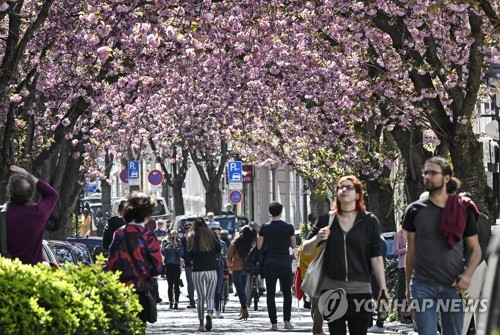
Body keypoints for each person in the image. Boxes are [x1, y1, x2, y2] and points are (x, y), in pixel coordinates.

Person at [403, 156, 481, 335]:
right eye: (425, 173)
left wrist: (468, 275)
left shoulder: (462, 209)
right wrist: (408, 290)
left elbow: (475, 249)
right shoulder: (414, 210)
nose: (427, 177)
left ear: (446, 178)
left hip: (453, 285)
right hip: (422, 285)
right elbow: (411, 252)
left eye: (433, 173)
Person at [302, 175, 387, 335]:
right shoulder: (326, 220)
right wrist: (317, 238)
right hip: (332, 289)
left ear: (357, 194)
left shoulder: (369, 221)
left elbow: (376, 256)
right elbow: (305, 249)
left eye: (349, 187)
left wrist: (382, 289)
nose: (343, 190)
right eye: (340, 187)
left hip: (360, 290)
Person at [106, 192, 163, 324]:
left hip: (121, 289)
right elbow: (158, 266)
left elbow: (111, 263)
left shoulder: (119, 233)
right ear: (146, 214)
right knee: (139, 326)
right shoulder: (147, 235)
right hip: (141, 289)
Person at [5, 165, 59, 265]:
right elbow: (52, 194)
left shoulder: (3, 214)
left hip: (7, 272)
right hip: (33, 272)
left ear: (9, 192)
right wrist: (25, 173)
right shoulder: (38, 213)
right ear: (31, 194)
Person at [257, 201, 296, 331]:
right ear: (281, 211)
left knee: (270, 294)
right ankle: (287, 321)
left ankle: (274, 323)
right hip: (284, 262)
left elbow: (259, 246)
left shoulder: (264, 227)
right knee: (287, 293)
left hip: (270, 263)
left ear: (270, 212)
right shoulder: (288, 227)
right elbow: (293, 245)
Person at [187, 218, 221, 331]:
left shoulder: (191, 236)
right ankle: (210, 314)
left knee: (200, 298)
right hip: (211, 269)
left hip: (197, 270)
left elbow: (188, 254)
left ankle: (201, 324)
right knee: (210, 296)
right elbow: (219, 247)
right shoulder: (210, 234)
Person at [226, 225, 257, 321]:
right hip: (246, 268)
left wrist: (230, 267)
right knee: (242, 290)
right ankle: (242, 310)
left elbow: (228, 257)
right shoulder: (251, 243)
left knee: (240, 291)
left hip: (237, 268)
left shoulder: (235, 243)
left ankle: (244, 311)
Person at [297, 241, 324, 335]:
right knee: (320, 303)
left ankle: (318, 329)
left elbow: (299, 260)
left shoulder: (304, 245)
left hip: (307, 277)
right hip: (319, 276)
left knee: (314, 303)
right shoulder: (322, 246)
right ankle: (317, 331)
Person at [367, 235, 388, 333]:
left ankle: (377, 324)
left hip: (372, 273)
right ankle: (378, 324)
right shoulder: (381, 239)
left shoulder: (374, 240)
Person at [392, 223, 411, 324]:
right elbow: (395, 251)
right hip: (402, 266)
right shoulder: (398, 235)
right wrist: (406, 249)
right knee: (402, 292)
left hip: (413, 266)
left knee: (412, 291)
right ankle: (403, 315)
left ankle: (411, 314)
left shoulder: (414, 233)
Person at [162, 229, 184, 309]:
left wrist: (177, 246)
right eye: (173, 234)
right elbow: (163, 252)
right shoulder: (166, 242)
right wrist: (169, 246)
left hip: (176, 265)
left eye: (175, 234)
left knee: (176, 284)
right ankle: (171, 301)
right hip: (168, 265)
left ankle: (176, 302)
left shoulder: (179, 243)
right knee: (170, 285)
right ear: (170, 235)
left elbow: (182, 253)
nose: (174, 235)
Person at [212, 226, 228, 318]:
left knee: (218, 289)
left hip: (220, 266)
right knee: (211, 289)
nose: (217, 236)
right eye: (215, 234)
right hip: (211, 266)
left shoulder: (223, 243)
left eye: (219, 234)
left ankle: (217, 310)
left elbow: (226, 254)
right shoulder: (209, 243)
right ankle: (211, 309)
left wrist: (223, 255)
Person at [180, 222, 196, 308]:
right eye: (186, 228)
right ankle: (192, 302)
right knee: (190, 283)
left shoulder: (197, 238)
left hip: (198, 264)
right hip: (188, 265)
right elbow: (182, 253)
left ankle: (200, 300)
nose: (188, 229)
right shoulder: (183, 240)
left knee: (198, 284)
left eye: (190, 227)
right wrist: (187, 259)